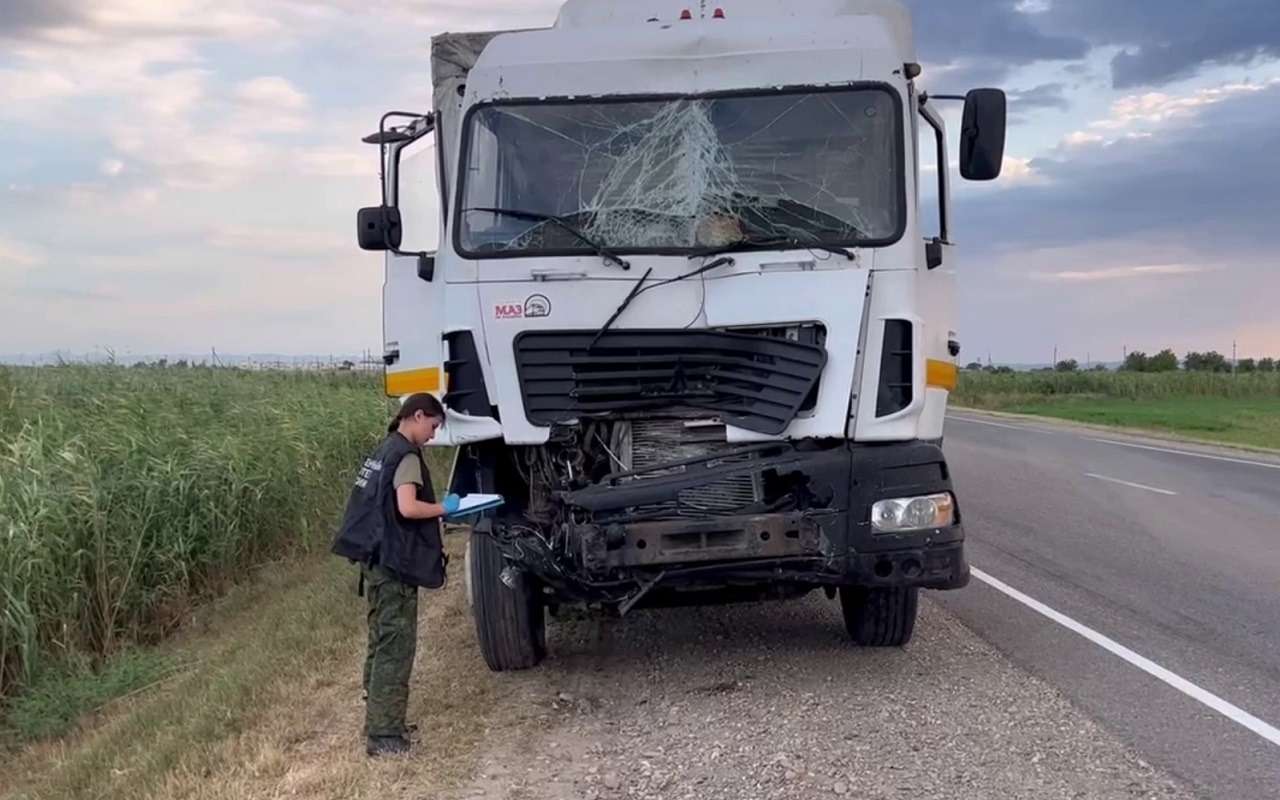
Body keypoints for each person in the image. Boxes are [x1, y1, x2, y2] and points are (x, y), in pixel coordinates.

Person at [332, 392, 460, 757]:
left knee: (379, 639)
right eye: (433, 427)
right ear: (417, 416)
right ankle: (385, 736)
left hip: (375, 559)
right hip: (393, 563)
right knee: (395, 645)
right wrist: (442, 509)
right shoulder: (405, 454)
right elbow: (407, 506)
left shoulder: (382, 449)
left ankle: (380, 720)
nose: (433, 436)